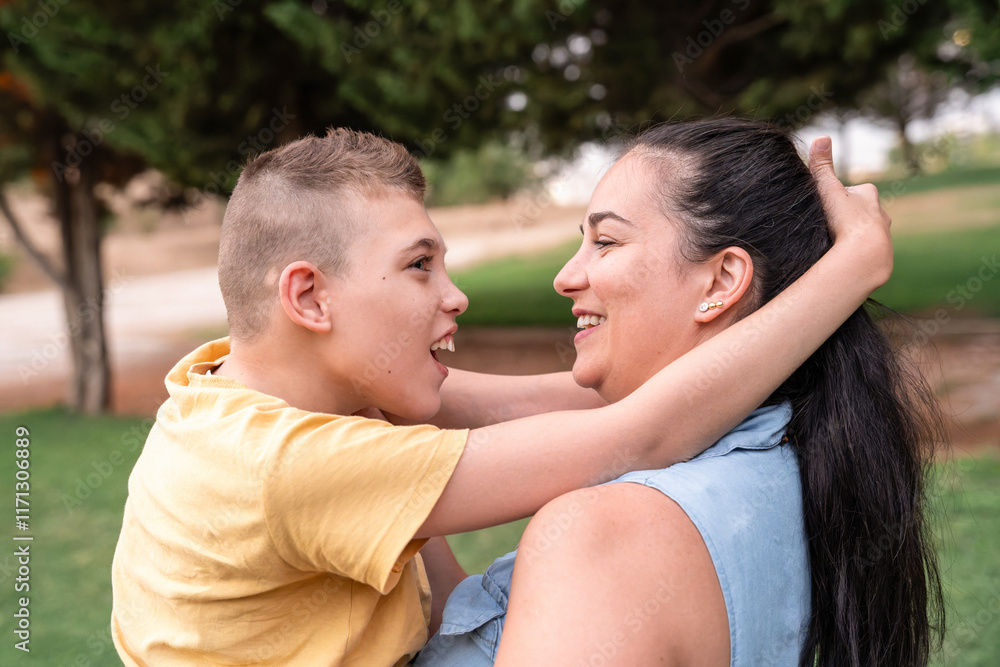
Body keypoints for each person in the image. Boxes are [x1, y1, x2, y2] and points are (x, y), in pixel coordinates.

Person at [110, 127, 892, 666]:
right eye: (419, 265)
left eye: (607, 240)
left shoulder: (271, 395)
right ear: (309, 299)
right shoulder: (283, 462)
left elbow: (568, 404)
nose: (457, 297)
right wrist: (849, 268)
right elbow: (639, 431)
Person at [417, 119, 944, 667]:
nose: (566, 276)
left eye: (605, 241)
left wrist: (856, 264)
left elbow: (637, 430)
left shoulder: (603, 539)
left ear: (719, 283)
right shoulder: (789, 456)